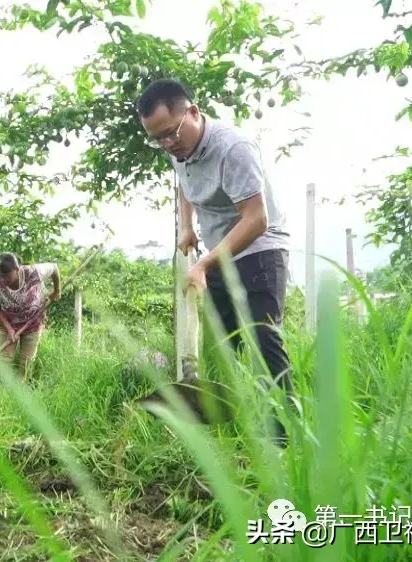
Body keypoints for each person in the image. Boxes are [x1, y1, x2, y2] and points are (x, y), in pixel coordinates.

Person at [136, 78, 293, 446]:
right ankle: (233, 427)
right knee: (223, 347)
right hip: (218, 252)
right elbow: (184, 183)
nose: (167, 144)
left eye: (170, 133)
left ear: (192, 111)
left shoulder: (232, 148)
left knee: (262, 340)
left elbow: (256, 219)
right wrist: (186, 225)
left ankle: (282, 439)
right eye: (157, 139)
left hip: (260, 250)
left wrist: (204, 265)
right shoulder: (176, 147)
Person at [0, 252, 61, 379]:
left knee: (26, 363)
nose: (3, 280)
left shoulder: (34, 272)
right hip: (7, 324)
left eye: (6, 276)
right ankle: (3, 392)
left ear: (17, 269)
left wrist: (56, 290)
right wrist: (10, 329)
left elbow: (54, 268)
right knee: (5, 360)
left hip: (33, 322)